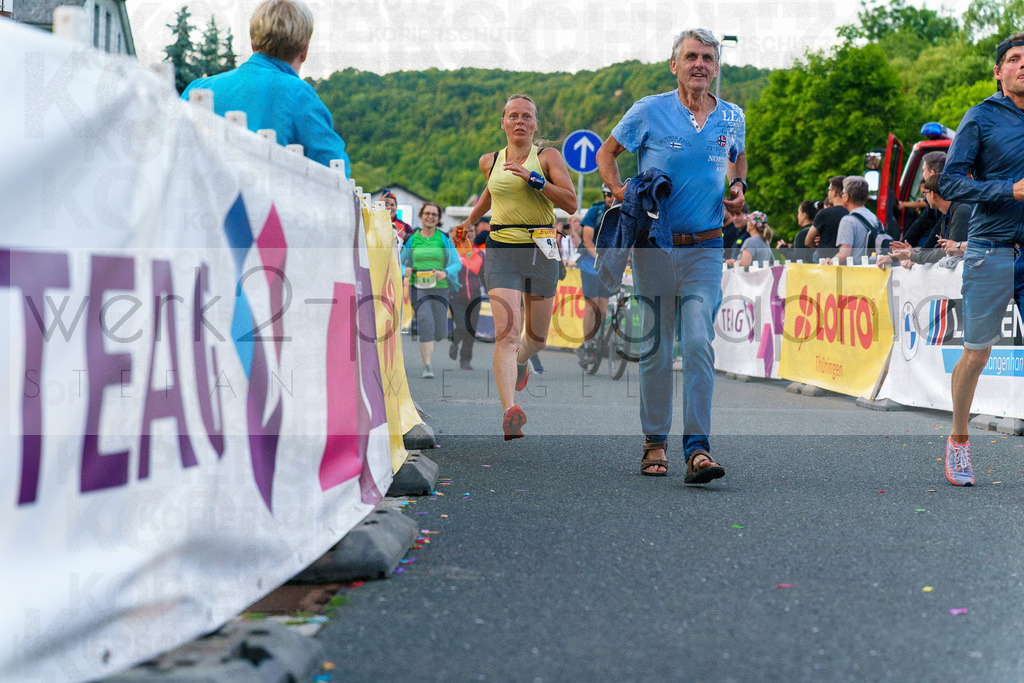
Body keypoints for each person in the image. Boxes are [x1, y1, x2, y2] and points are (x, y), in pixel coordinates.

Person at [596, 28, 745, 482]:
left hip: (706, 246)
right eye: (691, 56)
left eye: (708, 58)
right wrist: (620, 193)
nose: (700, 64)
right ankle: (654, 442)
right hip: (655, 246)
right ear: (674, 64)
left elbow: (737, 158)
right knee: (658, 347)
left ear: (716, 67)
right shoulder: (648, 110)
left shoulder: (732, 115)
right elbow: (606, 152)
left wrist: (738, 185)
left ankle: (698, 449)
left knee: (698, 341)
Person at [452, 95, 578, 439]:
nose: (519, 121)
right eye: (513, 116)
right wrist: (469, 221)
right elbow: (492, 193)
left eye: (526, 116)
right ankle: (510, 411)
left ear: (535, 124)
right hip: (502, 249)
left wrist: (535, 180)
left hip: (541, 249)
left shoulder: (548, 157)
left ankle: (523, 360)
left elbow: (570, 202)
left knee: (537, 339)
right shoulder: (489, 161)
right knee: (507, 333)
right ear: (503, 123)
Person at [937, 33, 1024, 486]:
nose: (1022, 65)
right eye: (1014, 59)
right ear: (998, 71)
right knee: (976, 353)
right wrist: (1008, 190)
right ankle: (959, 440)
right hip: (991, 248)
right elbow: (950, 183)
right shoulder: (981, 117)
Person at [181, 0, 350, 173]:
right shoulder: (299, 95)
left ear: (253, 43)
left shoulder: (198, 88)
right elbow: (336, 171)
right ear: (305, 50)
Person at [401, 202, 462, 379]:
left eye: (434, 214)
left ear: (438, 218)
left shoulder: (443, 239)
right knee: (426, 320)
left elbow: (457, 263)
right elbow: (400, 261)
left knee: (440, 332)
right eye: (427, 213)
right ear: (421, 215)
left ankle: (436, 334)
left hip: (440, 288)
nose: (430, 217)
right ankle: (427, 366)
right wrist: (404, 270)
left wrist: (445, 273)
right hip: (418, 287)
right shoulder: (412, 239)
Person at [876, 175, 971, 269]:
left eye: (925, 194)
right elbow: (937, 250)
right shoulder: (948, 213)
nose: (925, 198)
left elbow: (950, 252)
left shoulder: (960, 211)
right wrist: (912, 253)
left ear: (933, 194)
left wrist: (912, 256)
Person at [576, 185, 614, 365]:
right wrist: (600, 258)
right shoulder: (595, 212)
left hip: (608, 267)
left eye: (613, 195)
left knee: (603, 309)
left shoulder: (622, 213)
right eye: (607, 195)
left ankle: (595, 339)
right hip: (590, 264)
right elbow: (587, 240)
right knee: (592, 307)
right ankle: (587, 344)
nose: (610, 198)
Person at [450, 225, 486, 370]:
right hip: (456, 296)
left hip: (475, 298)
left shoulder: (480, 254)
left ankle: (465, 359)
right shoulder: (454, 252)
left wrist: (492, 293)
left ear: (475, 233)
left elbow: (484, 277)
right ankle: (455, 342)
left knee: (471, 329)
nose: (469, 233)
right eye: (466, 231)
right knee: (461, 326)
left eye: (471, 231)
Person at [826, 176, 877, 265]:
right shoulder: (874, 218)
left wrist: (827, 263)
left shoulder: (848, 221)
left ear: (846, 197)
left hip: (855, 271)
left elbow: (844, 255)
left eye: (843, 193)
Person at [902, 152, 947, 246]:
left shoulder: (945, 203)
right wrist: (902, 245)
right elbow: (923, 221)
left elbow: (937, 228)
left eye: (924, 171)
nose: (923, 175)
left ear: (932, 173)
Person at [805, 176, 847, 262]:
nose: (828, 193)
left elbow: (808, 240)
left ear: (834, 192)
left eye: (829, 190)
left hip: (825, 262)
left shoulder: (824, 213)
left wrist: (819, 247)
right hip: (846, 261)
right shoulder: (851, 213)